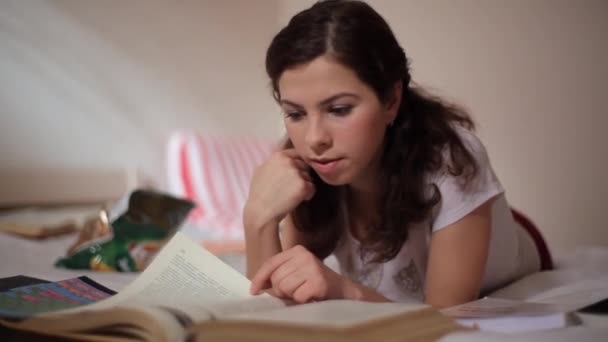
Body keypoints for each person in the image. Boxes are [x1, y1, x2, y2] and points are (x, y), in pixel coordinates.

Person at [243, 0, 542, 308]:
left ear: (391, 100)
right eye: (295, 114)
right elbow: (272, 307)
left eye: (339, 109)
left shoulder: (451, 160)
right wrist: (257, 218)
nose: (314, 139)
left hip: (504, 240)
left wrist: (345, 291)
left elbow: (445, 320)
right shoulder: (301, 165)